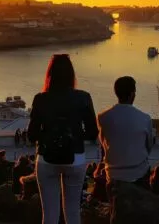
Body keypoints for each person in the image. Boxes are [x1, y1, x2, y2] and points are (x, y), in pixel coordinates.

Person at [27, 54, 99, 224]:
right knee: (73, 212)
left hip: (46, 158)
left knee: (49, 215)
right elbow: (93, 132)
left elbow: (32, 135)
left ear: (50, 75)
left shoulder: (41, 99)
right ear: (71, 75)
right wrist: (73, 135)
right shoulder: (83, 97)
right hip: (75, 157)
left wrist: (50, 135)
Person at [97, 76, 153, 188]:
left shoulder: (103, 117)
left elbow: (104, 144)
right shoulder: (145, 118)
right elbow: (149, 146)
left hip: (113, 174)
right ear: (132, 94)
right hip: (138, 173)